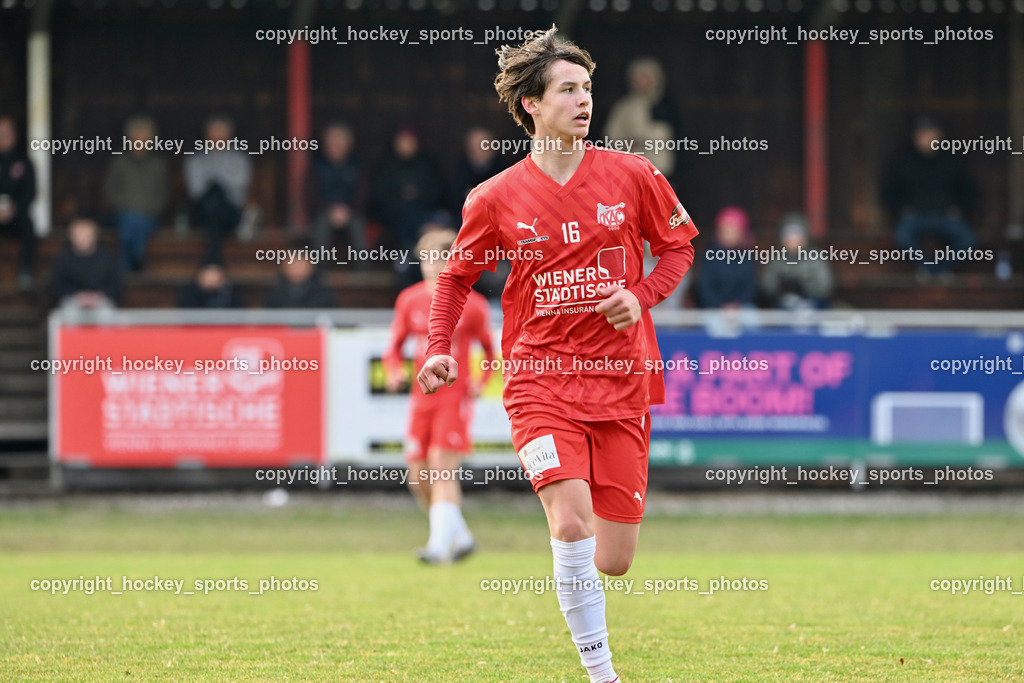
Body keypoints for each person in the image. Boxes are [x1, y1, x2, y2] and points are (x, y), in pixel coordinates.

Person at [416, 28, 697, 683]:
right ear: (532, 107)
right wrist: (438, 348)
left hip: (622, 380)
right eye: (568, 89)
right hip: (539, 381)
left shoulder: (632, 175)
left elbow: (679, 247)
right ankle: (603, 676)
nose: (584, 100)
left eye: (588, 88)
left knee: (615, 558)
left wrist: (640, 293)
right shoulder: (494, 198)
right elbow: (457, 276)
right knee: (570, 524)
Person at [383, 228, 495, 563]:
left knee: (442, 466)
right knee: (418, 476)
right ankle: (459, 536)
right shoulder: (409, 300)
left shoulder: (472, 305)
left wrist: (481, 380)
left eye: (440, 258)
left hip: (453, 394)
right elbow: (393, 347)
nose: (432, 266)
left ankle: (437, 547)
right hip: (421, 396)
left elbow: (490, 350)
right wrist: (393, 371)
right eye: (427, 259)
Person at [882, 117, 977, 277]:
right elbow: (889, 192)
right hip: (915, 215)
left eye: (930, 134)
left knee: (968, 240)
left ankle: (938, 270)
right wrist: (901, 209)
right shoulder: (904, 162)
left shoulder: (951, 161)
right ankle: (929, 268)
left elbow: (969, 189)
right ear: (915, 138)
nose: (926, 139)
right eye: (922, 135)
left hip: (945, 215)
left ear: (939, 136)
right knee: (902, 236)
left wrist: (958, 208)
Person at [104, 115, 170, 271]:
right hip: (123, 213)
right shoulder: (119, 161)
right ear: (130, 138)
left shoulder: (158, 164)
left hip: (150, 215)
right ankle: (137, 259)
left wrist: (147, 209)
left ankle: (126, 265)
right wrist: (128, 207)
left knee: (135, 223)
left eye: (145, 136)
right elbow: (109, 192)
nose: (141, 140)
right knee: (131, 221)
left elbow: (164, 194)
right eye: (137, 136)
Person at [184, 115, 253, 262]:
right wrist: (219, 182)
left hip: (230, 210)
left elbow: (240, 186)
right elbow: (195, 190)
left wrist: (216, 180)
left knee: (218, 197)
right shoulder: (195, 160)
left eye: (221, 132)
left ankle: (212, 262)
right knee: (213, 198)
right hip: (203, 211)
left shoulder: (240, 159)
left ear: (229, 135)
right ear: (207, 135)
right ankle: (215, 262)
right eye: (214, 132)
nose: (217, 137)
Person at [604, 57, 684, 180]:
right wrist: (627, 143)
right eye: (640, 79)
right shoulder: (624, 107)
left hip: (659, 172)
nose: (643, 83)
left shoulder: (666, 106)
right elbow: (611, 134)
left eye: (647, 78)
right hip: (629, 171)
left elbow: (671, 138)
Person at [696, 207, 758, 334]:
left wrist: (736, 306)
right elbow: (705, 286)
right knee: (713, 326)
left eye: (733, 231)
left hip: (742, 309)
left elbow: (751, 287)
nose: (729, 235)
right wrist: (720, 306)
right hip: (714, 309)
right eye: (725, 230)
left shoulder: (747, 258)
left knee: (753, 320)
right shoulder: (709, 256)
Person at [309, 122, 366, 252]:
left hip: (351, 211)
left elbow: (362, 194)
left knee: (358, 225)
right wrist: (330, 209)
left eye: (337, 141)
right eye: (330, 142)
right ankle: (319, 268)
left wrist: (347, 210)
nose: (333, 145)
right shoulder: (317, 165)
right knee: (321, 225)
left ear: (347, 144)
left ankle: (363, 269)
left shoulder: (357, 165)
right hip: (325, 211)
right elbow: (311, 195)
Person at [761, 212, 833, 310]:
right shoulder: (776, 259)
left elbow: (825, 285)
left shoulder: (815, 258)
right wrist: (782, 290)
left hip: (813, 303)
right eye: (788, 237)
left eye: (796, 236)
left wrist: (805, 286)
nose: (792, 240)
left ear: (805, 238)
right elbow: (767, 286)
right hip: (784, 304)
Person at [48, 217, 121, 311]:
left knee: (106, 313)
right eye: (78, 234)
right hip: (72, 301)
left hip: (100, 301)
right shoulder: (62, 259)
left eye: (86, 233)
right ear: (71, 235)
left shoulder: (107, 258)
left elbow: (116, 286)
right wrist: (77, 296)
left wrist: (98, 296)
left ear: (94, 234)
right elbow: (56, 286)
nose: (82, 237)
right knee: (69, 312)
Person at [0, 115, 38, 290]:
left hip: (16, 215)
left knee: (29, 227)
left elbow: (30, 192)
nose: (3, 136)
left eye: (7, 132)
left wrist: (14, 209)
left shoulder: (24, 161)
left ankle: (25, 272)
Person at [262, 243, 337, 309]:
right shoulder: (274, 295)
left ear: (312, 266)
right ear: (283, 266)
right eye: (294, 264)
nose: (298, 269)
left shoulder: (324, 295)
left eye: (302, 263)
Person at [177, 260, 246, 308]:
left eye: (215, 274)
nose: (212, 279)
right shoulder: (190, 291)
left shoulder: (230, 292)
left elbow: (238, 312)